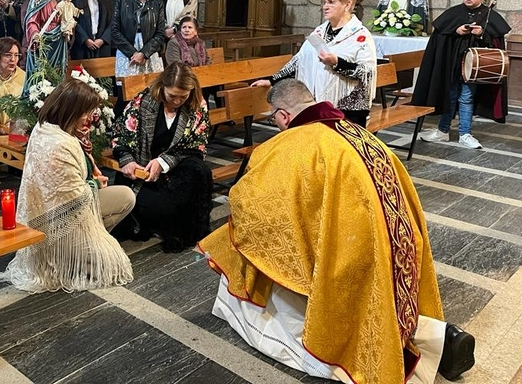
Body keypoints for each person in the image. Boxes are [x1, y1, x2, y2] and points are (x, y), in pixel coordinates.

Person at [199, 79, 475, 384]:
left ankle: (421, 342)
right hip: (397, 243)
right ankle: (438, 336)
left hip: (351, 253)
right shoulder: (358, 133)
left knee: (259, 267)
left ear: (283, 115)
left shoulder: (292, 145)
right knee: (384, 301)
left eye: (273, 118)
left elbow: (250, 201)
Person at [1, 77, 135, 293]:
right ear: (70, 109)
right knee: (112, 265)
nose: (90, 118)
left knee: (126, 197)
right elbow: (75, 196)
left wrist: (89, 167)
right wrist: (94, 182)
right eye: (85, 112)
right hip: (56, 223)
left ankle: (85, 246)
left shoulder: (47, 128)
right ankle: (69, 254)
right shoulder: (59, 142)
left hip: (65, 212)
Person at [111, 62, 213, 252]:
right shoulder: (143, 101)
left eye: (183, 96)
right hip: (143, 173)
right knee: (158, 209)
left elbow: (197, 145)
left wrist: (164, 162)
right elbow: (121, 135)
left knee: (200, 170)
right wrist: (127, 160)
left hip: (176, 171)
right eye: (172, 95)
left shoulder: (197, 104)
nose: (177, 101)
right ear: (162, 86)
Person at [251, 0, 376, 127]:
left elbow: (367, 73)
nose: (325, 7)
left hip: (348, 110)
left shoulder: (360, 36)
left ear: (347, 5)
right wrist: (272, 80)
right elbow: (298, 62)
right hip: (317, 106)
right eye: (324, 2)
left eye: (331, 2)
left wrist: (337, 63)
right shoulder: (319, 32)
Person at [413, 0, 511, 149]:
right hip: (451, 64)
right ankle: (443, 131)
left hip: (473, 68)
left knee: (467, 97)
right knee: (449, 96)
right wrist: (455, 31)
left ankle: (465, 134)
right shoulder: (453, 13)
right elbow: (440, 38)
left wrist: (482, 34)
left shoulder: (489, 16)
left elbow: (496, 44)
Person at [110, 0, 167, 102]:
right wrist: (133, 53)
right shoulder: (121, 1)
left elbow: (160, 33)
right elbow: (115, 31)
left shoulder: (157, 3)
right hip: (127, 52)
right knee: (126, 96)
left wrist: (144, 53)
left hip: (149, 52)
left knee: (151, 95)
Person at [23, 0, 69, 95]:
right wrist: (34, 34)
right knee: (40, 69)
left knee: (56, 69)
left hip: (58, 39)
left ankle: (56, 94)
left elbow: (66, 17)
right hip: (42, 37)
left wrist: (67, 28)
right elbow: (31, 20)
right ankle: (38, 95)